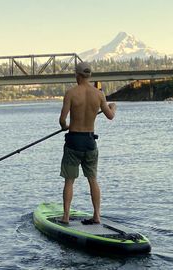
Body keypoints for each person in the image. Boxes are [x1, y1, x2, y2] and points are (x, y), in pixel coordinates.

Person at [58, 62, 116, 225]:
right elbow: (110, 116)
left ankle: (66, 217)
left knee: (69, 180)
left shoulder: (71, 93)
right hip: (90, 142)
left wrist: (65, 127)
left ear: (77, 75)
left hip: (74, 141)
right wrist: (113, 106)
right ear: (89, 76)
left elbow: (62, 120)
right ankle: (97, 215)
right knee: (92, 179)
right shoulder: (99, 95)